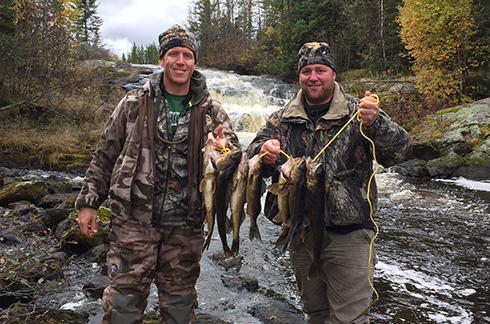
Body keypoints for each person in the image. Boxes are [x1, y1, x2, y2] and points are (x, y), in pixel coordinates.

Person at [75, 25, 241, 324]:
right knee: (123, 305)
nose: (181, 61)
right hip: (133, 222)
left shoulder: (212, 111)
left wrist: (223, 148)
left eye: (187, 55)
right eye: (174, 54)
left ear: (194, 62)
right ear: (162, 59)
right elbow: (106, 153)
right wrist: (88, 202)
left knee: (179, 308)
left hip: (186, 227)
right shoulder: (133, 103)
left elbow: (234, 158)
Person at [246, 42, 412, 324]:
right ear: (300, 75)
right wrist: (264, 154)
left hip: (350, 235)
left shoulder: (359, 113)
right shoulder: (283, 117)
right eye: (307, 70)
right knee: (316, 315)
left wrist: (376, 125)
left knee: (349, 319)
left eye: (320, 70)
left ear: (333, 73)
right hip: (299, 232)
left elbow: (400, 152)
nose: (313, 77)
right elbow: (251, 159)